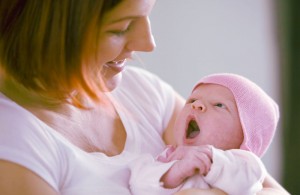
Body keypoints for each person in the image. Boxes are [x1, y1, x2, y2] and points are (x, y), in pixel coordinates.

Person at [0, 1, 289, 195]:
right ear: (50, 31)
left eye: (147, 15)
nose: (148, 43)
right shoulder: (15, 143)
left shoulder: (143, 92)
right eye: (122, 27)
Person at [129, 73, 279, 195]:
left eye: (219, 105)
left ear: (245, 136)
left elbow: (246, 185)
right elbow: (138, 186)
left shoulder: (245, 163)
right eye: (192, 100)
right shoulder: (168, 159)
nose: (196, 105)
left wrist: (211, 158)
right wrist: (174, 173)